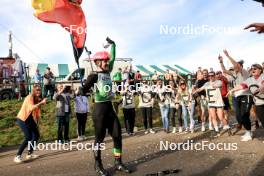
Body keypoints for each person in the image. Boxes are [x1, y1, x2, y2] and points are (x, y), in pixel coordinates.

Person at [83, 37, 131, 176]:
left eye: (106, 60)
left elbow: (113, 56)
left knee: (117, 135)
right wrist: (86, 88)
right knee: (99, 139)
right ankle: (98, 165)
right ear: (97, 62)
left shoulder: (108, 71)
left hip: (110, 108)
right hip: (99, 110)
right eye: (103, 61)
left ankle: (118, 163)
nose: (106, 62)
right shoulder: (94, 76)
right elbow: (83, 90)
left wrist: (113, 44)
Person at [227, 64, 264, 141]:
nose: (253, 69)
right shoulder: (249, 80)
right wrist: (232, 90)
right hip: (259, 103)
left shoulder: (263, 76)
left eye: (255, 68)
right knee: (263, 120)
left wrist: (262, 87)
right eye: (252, 68)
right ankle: (249, 132)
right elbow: (241, 86)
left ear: (260, 70)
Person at [219, 50, 252, 136]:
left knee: (245, 113)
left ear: (240, 66)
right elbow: (224, 70)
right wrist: (221, 62)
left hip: (245, 95)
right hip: (236, 96)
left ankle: (249, 129)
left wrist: (228, 56)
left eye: (236, 66)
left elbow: (236, 65)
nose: (234, 67)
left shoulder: (243, 72)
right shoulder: (234, 74)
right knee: (238, 113)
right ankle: (241, 124)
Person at [14, 84, 47, 163]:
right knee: (28, 137)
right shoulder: (29, 97)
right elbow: (31, 107)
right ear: (33, 91)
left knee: (36, 135)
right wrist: (41, 103)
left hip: (30, 118)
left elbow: (36, 111)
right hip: (22, 119)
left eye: (39, 90)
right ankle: (17, 156)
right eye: (37, 90)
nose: (38, 91)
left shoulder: (37, 98)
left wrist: (37, 121)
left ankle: (29, 153)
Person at [193, 71, 230, 137]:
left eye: (212, 75)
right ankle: (217, 131)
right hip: (211, 102)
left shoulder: (218, 82)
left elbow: (216, 85)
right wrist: (194, 91)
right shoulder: (207, 83)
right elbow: (200, 89)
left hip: (218, 102)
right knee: (213, 117)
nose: (210, 77)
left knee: (221, 117)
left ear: (214, 76)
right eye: (209, 76)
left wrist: (209, 84)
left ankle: (227, 127)